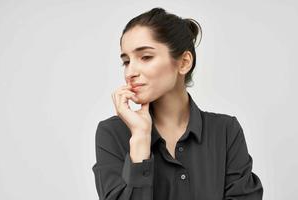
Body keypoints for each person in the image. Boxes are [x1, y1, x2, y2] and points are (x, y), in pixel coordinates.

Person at [92, 7, 263, 200]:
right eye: (126, 61)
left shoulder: (225, 131)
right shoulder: (112, 134)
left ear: (183, 62)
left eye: (146, 57)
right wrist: (140, 139)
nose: (130, 72)